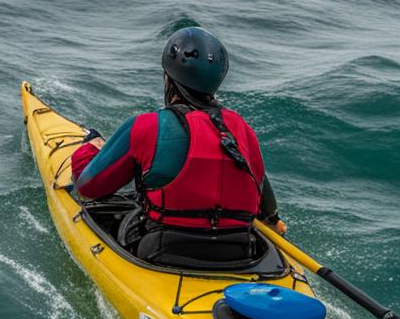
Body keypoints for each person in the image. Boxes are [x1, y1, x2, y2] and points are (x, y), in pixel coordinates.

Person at [69, 27, 283, 264]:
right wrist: (272, 220)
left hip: (163, 252)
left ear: (167, 78)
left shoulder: (147, 127)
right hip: (239, 253)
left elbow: (88, 187)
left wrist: (90, 148)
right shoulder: (242, 130)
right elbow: (261, 185)